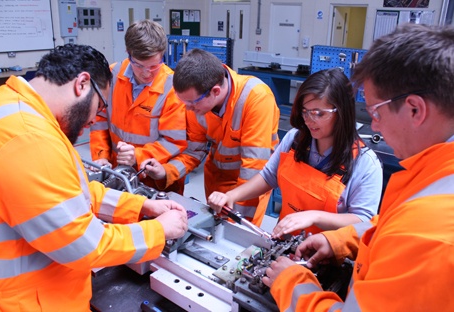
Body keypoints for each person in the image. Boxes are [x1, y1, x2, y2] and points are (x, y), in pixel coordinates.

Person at [263, 23, 454, 311]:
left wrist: (292, 282)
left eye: (376, 111)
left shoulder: (427, 232)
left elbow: (407, 233)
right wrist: (339, 240)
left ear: (415, 109)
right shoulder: (434, 177)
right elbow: (388, 225)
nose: (373, 124)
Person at [0, 44, 188, 311]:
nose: (95, 119)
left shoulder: (11, 106)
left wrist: (139, 206)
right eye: (100, 105)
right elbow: (85, 244)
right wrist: (159, 230)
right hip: (27, 300)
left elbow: (65, 193)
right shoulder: (29, 138)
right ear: (82, 84)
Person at [208, 68, 383, 237]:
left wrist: (314, 216)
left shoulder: (365, 163)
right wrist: (231, 195)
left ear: (342, 112)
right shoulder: (295, 140)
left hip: (329, 254)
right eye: (305, 112)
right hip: (285, 240)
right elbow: (268, 177)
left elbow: (363, 220)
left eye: (318, 114)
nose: (309, 121)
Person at [140, 48, 280, 226]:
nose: (188, 109)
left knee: (236, 241)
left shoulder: (256, 99)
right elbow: (193, 152)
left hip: (249, 185)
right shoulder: (197, 103)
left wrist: (238, 224)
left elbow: (253, 169)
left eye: (192, 103)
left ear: (215, 91)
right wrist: (165, 171)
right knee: (212, 227)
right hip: (216, 177)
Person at [90, 19, 187, 194]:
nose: (146, 73)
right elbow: (98, 119)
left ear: (163, 54)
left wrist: (138, 155)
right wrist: (101, 157)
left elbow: (174, 141)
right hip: (117, 175)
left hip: (156, 182)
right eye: (139, 65)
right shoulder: (112, 75)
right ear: (128, 53)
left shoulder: (173, 88)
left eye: (154, 66)